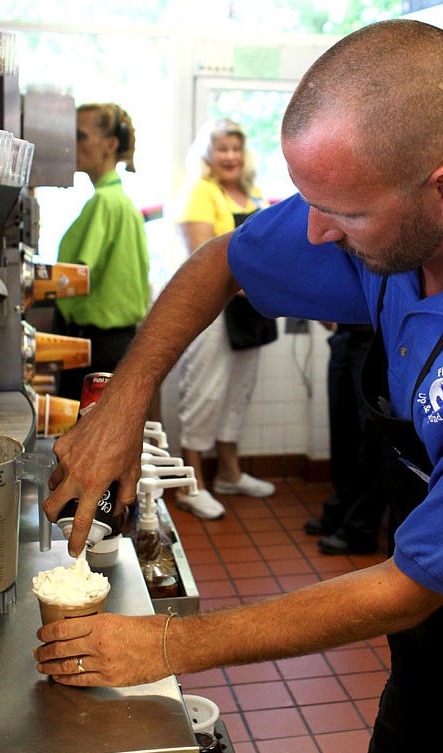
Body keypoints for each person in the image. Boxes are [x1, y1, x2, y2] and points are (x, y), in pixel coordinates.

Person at [36, 21, 443, 753]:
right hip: (439, 639)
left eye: (343, 213)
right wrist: (122, 406)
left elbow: (412, 584)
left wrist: (165, 642)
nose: (314, 232)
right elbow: (223, 260)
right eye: (312, 200)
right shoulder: (392, 214)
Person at [172, 118, 276, 520]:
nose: (230, 156)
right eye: (222, 148)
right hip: (213, 309)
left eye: (236, 148)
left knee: (238, 392)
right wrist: (257, 287)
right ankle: (190, 484)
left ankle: (230, 473)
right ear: (207, 154)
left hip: (251, 310)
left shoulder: (253, 193)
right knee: (205, 393)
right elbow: (201, 259)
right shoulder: (200, 192)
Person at [53, 102, 149, 401]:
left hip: (96, 346)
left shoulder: (104, 203)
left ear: (110, 145)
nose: (71, 143)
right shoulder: (123, 203)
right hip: (119, 343)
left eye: (79, 135)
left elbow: (74, 277)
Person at [305, 321, 388, 555]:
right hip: (346, 333)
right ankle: (341, 511)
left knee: (371, 434)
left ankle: (360, 529)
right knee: (343, 427)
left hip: (377, 337)